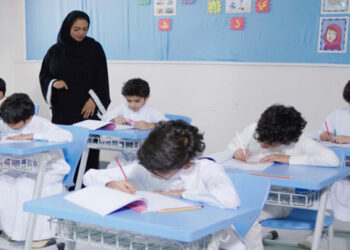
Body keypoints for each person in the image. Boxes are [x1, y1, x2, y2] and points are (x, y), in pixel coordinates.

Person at [84, 120, 247, 249]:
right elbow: (90, 176)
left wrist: (181, 193)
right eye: (150, 168)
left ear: (186, 165)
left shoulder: (207, 169)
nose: (150, 174)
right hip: (163, 238)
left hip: (206, 241)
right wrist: (111, 184)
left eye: (157, 172)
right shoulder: (149, 165)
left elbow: (230, 199)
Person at [227, 104, 339, 250]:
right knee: (225, 215)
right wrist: (236, 151)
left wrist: (289, 159)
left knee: (247, 217)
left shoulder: (299, 142)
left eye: (268, 143)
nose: (261, 143)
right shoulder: (254, 129)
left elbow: (332, 159)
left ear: (285, 140)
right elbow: (234, 145)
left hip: (278, 201)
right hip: (248, 194)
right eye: (259, 137)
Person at [39, 10, 110, 177]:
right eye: (76, 29)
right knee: (63, 150)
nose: (81, 33)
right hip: (63, 109)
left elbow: (102, 77)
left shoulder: (94, 48)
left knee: (87, 150)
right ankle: (63, 185)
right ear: (67, 27)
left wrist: (94, 99)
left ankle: (86, 186)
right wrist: (54, 82)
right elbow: (44, 75)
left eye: (85, 29)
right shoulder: (55, 51)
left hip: (87, 110)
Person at [0, 93, 72, 248]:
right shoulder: (6, 124)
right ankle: (14, 231)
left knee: (25, 186)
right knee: (3, 184)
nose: (9, 126)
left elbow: (67, 136)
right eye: (6, 122)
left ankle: (40, 234)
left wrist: (32, 136)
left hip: (49, 168)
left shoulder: (41, 123)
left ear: (29, 118)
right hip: (20, 165)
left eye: (14, 123)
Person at [103, 78, 168, 166]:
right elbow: (105, 117)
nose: (133, 105)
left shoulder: (152, 112)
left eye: (137, 101)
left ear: (147, 97)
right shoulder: (123, 108)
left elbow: (167, 126)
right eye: (129, 100)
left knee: (135, 174)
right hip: (124, 153)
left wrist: (151, 125)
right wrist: (114, 119)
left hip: (144, 155)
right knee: (110, 171)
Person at [320, 80, 350, 222]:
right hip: (341, 162)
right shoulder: (339, 113)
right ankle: (319, 230)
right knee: (329, 189)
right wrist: (324, 134)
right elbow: (325, 129)